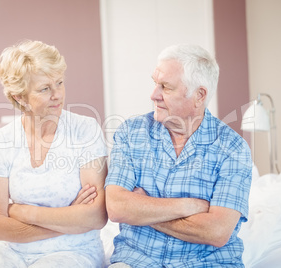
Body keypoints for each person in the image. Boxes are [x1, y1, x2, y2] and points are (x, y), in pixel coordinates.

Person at [105, 44, 252, 267]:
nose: (154, 95)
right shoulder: (131, 132)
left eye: (166, 87)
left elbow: (217, 232)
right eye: (155, 83)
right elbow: (117, 208)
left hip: (207, 262)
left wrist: (144, 208)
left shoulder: (233, 148)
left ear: (199, 95)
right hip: (137, 259)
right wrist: (188, 206)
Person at [0, 40, 108, 268]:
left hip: (74, 252)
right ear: (20, 97)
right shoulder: (0, 142)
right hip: (13, 254)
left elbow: (96, 217)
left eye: (59, 83)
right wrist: (69, 218)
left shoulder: (85, 130)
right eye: (45, 89)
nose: (57, 94)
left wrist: (24, 212)